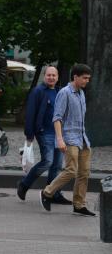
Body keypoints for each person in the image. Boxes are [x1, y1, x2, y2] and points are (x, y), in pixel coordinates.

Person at [40, 63, 95, 216]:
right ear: (75, 77)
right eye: (84, 78)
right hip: (69, 138)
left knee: (84, 173)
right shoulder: (65, 93)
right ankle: (47, 192)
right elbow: (57, 117)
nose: (87, 81)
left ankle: (79, 204)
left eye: (88, 78)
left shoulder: (81, 93)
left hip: (82, 139)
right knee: (71, 171)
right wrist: (60, 139)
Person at [17, 67, 72, 205]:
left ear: (57, 77)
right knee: (48, 161)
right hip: (44, 132)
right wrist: (29, 133)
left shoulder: (60, 92)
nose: (51, 77)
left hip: (58, 134)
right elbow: (30, 113)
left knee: (57, 165)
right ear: (44, 76)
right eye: (49, 75)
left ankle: (53, 193)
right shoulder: (38, 91)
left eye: (54, 75)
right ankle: (24, 184)